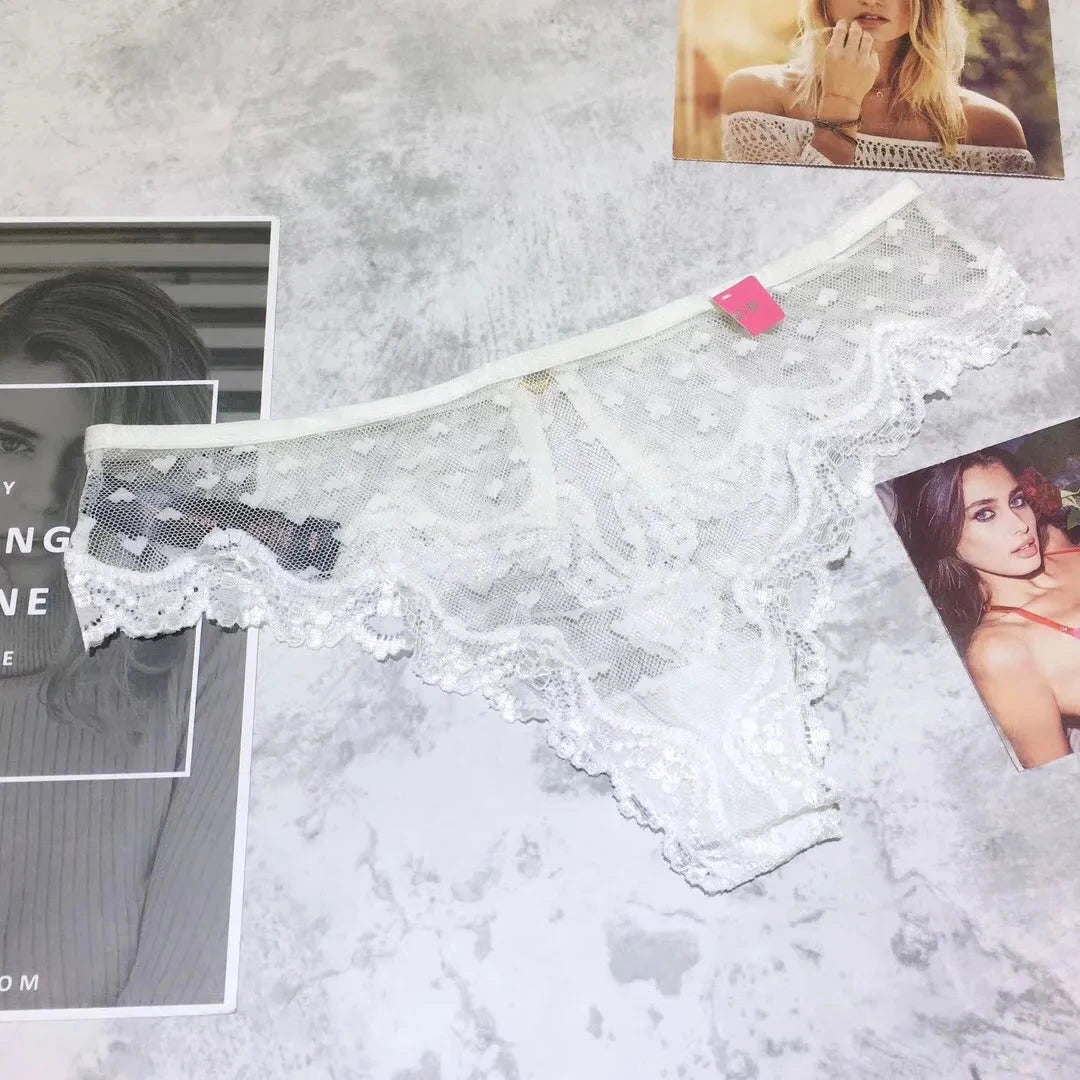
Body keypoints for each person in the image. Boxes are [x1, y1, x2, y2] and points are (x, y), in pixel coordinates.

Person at [0, 269, 247, 1009]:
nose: (47, 497)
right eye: (12, 445)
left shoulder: (214, 647)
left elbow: (186, 1000)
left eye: (93, 460)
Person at [890, 448, 1080, 770]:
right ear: (942, 535)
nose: (1021, 525)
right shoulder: (998, 651)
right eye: (984, 515)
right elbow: (1056, 778)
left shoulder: (1054, 543)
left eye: (1016, 501)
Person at [721, 0, 1036, 174]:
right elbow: (786, 228)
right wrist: (840, 101)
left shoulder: (990, 128)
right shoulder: (758, 97)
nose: (872, 0)